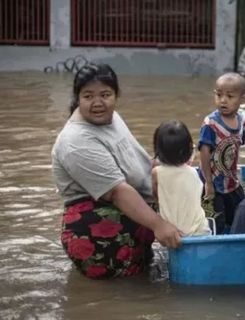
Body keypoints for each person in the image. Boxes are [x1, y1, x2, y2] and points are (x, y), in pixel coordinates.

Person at [51, 63, 181, 279]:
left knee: (142, 281)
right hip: (99, 236)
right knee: (124, 295)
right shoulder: (76, 141)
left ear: (116, 94)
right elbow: (117, 191)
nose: (98, 103)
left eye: (105, 94)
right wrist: (159, 225)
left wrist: (177, 172)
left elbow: (138, 161)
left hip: (133, 218)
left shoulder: (111, 118)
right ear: (77, 98)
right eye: (88, 96)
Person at [198, 72, 245, 234]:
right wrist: (209, 183)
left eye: (230, 96)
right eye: (219, 95)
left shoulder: (242, 122)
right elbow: (204, 153)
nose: (223, 100)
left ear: (243, 99)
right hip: (213, 183)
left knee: (241, 214)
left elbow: (236, 148)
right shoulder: (211, 124)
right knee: (215, 222)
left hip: (231, 181)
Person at [151, 120, 211, 236]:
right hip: (201, 230)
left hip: (174, 234)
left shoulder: (157, 173)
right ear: (188, 150)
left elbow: (155, 195)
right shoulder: (193, 173)